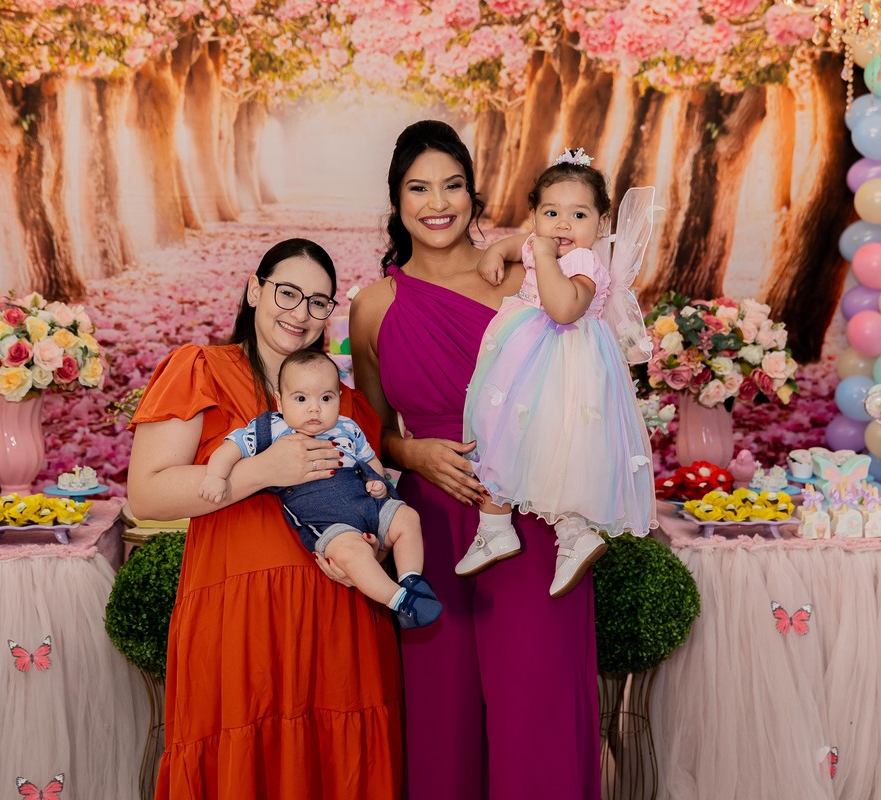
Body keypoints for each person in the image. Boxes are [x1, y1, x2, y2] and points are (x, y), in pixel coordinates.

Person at [349, 120, 599, 799]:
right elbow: (370, 431)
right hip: (429, 528)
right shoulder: (373, 307)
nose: (438, 203)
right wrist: (413, 453)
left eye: (452, 185)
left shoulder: (524, 275)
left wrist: (522, 244)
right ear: (396, 200)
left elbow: (586, 369)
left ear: (473, 193)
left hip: (532, 516)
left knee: (535, 711)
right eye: (419, 188)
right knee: (442, 716)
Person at [128, 238, 403, 799]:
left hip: (338, 624)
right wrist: (260, 470)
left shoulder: (347, 406)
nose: (300, 313)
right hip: (238, 623)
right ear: (255, 290)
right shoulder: (200, 370)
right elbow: (147, 494)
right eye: (287, 293)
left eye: (319, 302)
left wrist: (370, 548)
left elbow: (372, 503)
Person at [459, 149, 657, 597]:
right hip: (523, 362)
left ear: (601, 224)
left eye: (578, 215)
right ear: (534, 216)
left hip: (566, 368)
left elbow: (564, 309)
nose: (563, 225)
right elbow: (522, 244)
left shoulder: (584, 263)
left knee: (560, 449)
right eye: (551, 213)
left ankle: (575, 534)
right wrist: (498, 249)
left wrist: (545, 257)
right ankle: (494, 527)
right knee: (497, 432)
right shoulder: (538, 241)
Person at [199, 348, 442, 628]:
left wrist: (377, 483)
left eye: (326, 398)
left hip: (367, 503)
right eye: (301, 398)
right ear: (280, 401)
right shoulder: (271, 429)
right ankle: (401, 602)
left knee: (407, 517)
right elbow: (231, 448)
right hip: (329, 521)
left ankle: (411, 579)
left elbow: (370, 460)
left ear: (338, 398)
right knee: (353, 555)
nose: (314, 408)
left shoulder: (348, 428)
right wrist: (216, 476)